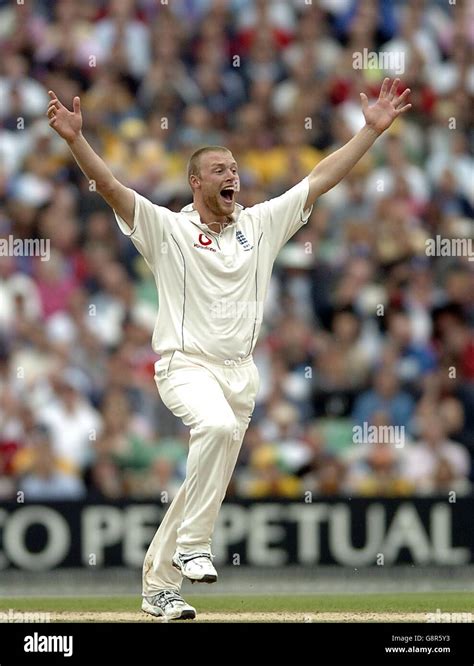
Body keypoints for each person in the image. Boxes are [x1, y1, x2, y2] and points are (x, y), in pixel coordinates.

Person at [46, 78, 411, 620]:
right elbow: (112, 187)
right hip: (184, 365)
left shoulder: (259, 225)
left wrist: (369, 132)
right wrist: (77, 141)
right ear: (195, 182)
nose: (232, 176)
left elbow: (320, 179)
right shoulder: (166, 228)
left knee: (205, 479)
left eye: (235, 169)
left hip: (242, 373)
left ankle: (158, 588)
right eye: (220, 170)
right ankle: (195, 546)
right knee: (213, 431)